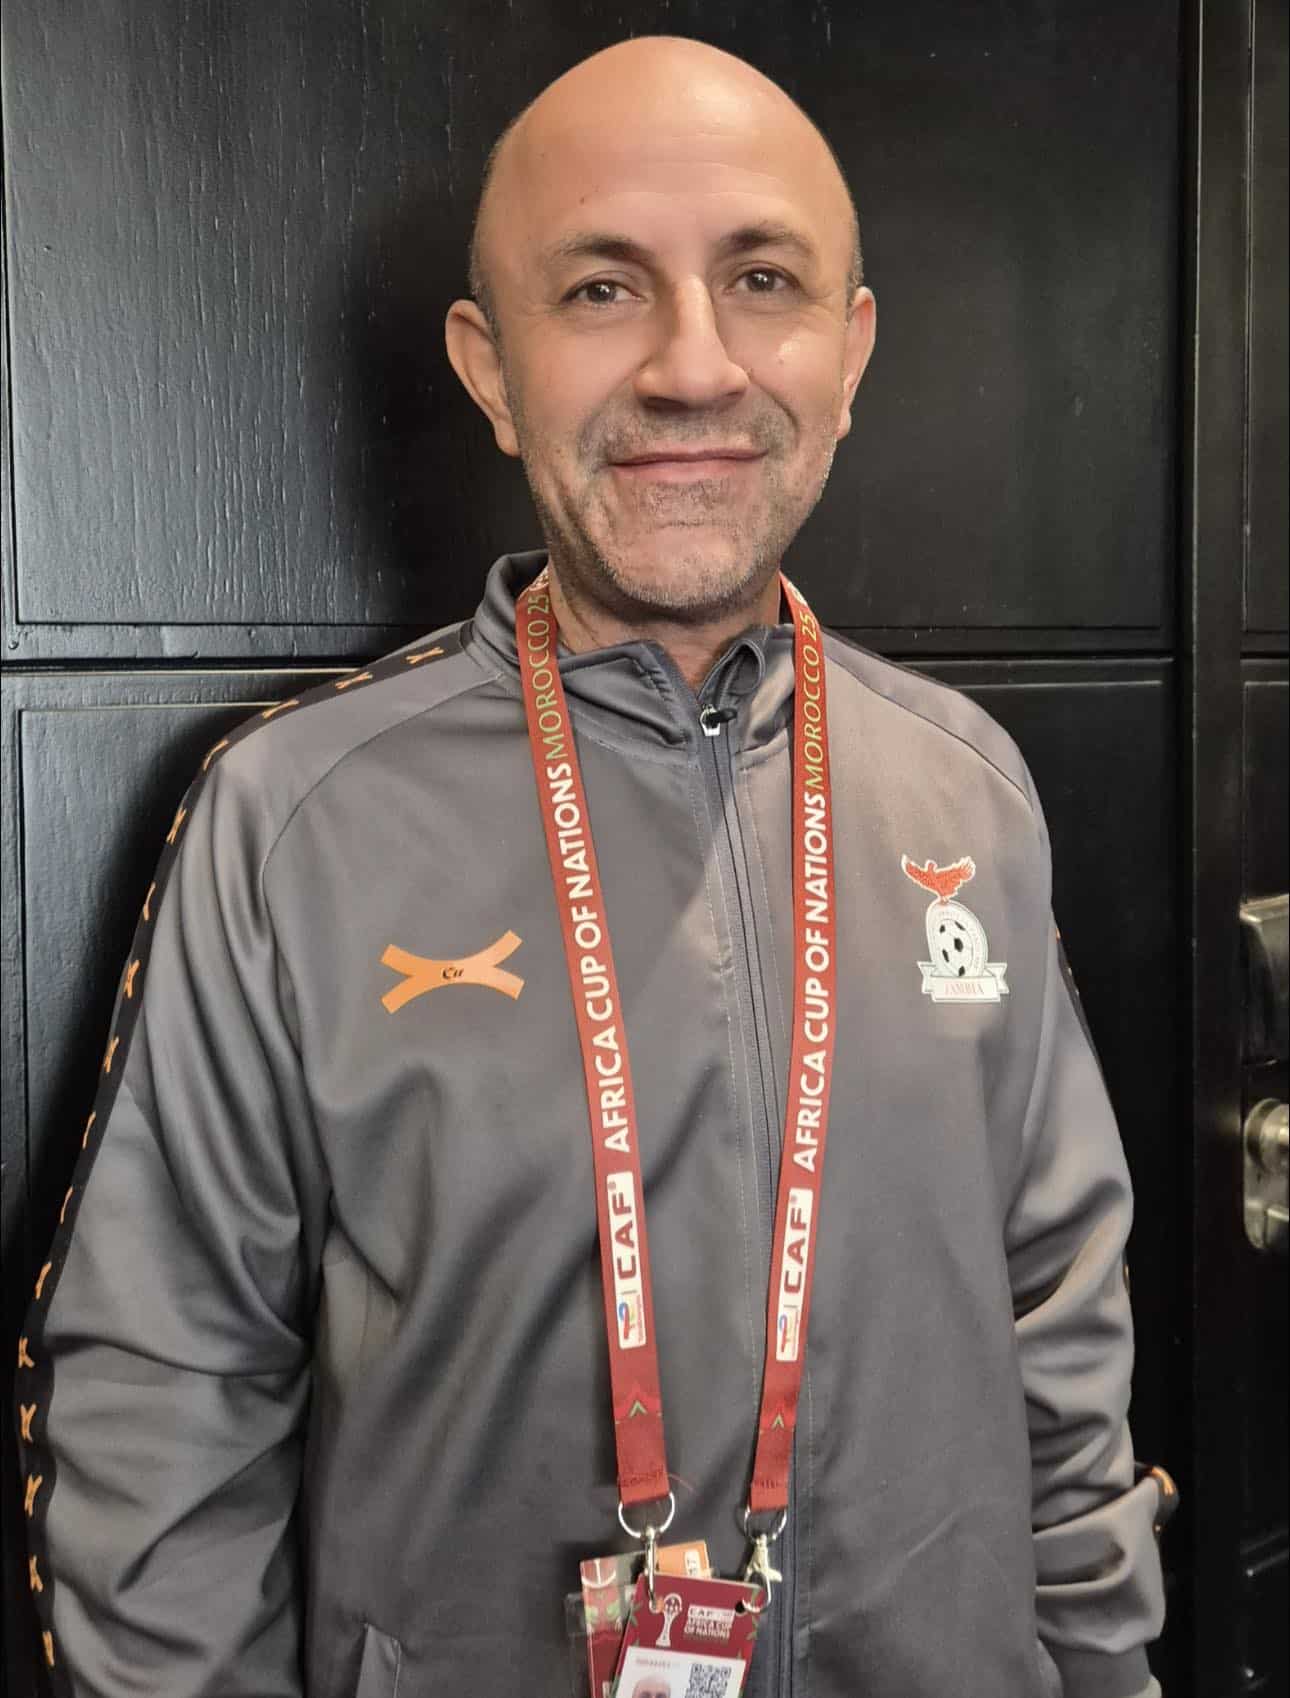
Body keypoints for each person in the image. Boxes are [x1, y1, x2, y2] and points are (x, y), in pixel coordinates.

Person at [15, 34, 1171, 1698]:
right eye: (601, 290)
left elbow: (1061, 1319)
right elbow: (161, 1405)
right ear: (489, 368)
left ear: (848, 353)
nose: (694, 365)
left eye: (760, 279)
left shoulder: (966, 786)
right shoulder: (292, 818)